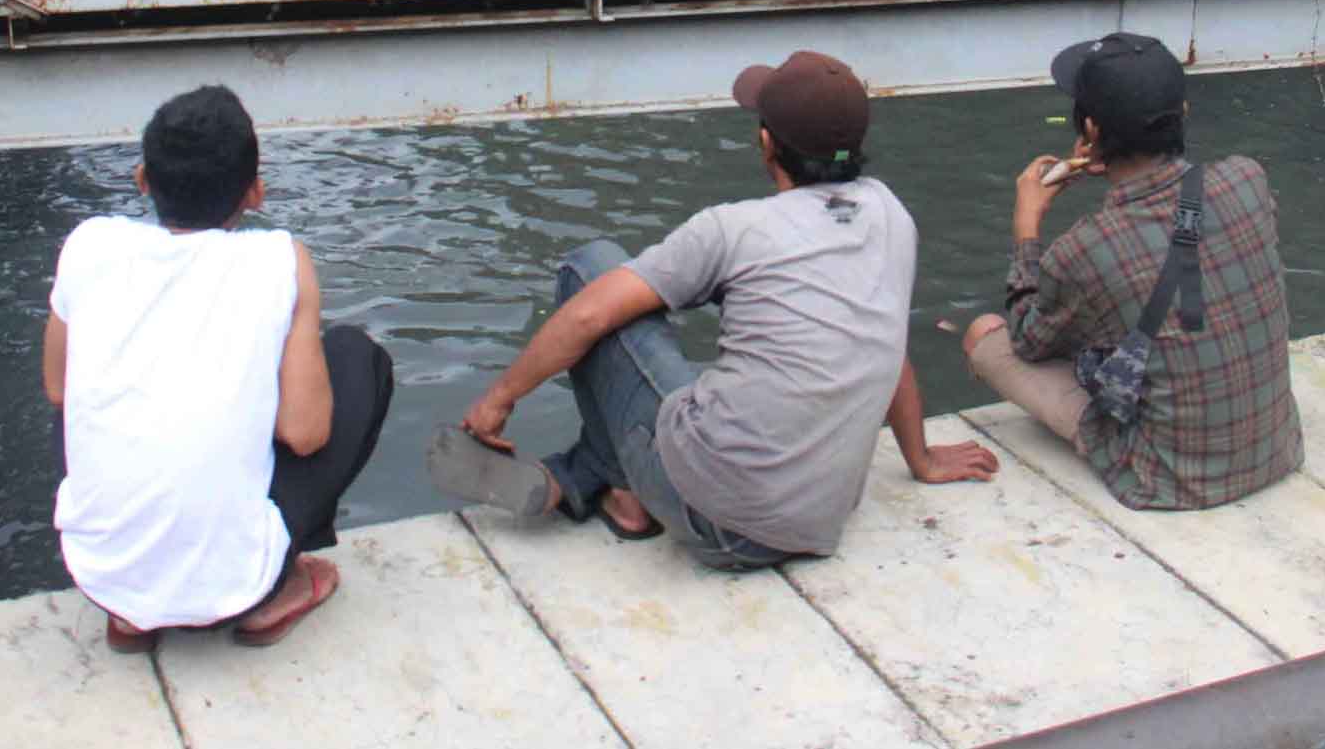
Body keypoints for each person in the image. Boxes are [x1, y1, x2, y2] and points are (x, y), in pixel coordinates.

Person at [428, 50, 999, 569]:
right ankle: (613, 491)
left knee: (593, 272)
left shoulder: (734, 229)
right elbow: (885, 343)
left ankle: (600, 479)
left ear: (767, 143)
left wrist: (497, 399)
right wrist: (919, 457)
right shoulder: (891, 215)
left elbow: (588, 318)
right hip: (817, 521)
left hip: (716, 520)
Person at [43, 85, 394, 651]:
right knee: (357, 359)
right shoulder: (278, 259)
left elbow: (58, 389)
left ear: (142, 179)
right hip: (237, 585)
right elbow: (305, 435)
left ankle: (133, 615)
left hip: (98, 576)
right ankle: (277, 588)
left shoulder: (89, 246)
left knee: (82, 399)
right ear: (255, 193)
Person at [962, 33, 1303, 510]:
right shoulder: (1248, 177)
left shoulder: (1084, 247)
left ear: (1091, 131)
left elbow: (1027, 340)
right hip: (1277, 449)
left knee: (986, 337)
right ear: (1180, 114)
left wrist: (1027, 228)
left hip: (1169, 479)